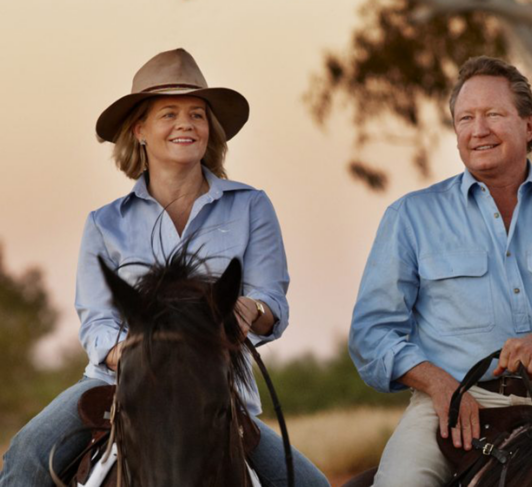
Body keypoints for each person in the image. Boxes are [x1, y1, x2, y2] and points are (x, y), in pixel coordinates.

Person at [0, 48, 330, 487]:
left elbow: (273, 302)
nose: (185, 124)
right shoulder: (105, 223)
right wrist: (133, 355)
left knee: (314, 486)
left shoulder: (252, 206)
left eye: (197, 113)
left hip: (215, 390)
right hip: (118, 386)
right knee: (24, 460)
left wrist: (253, 309)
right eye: (169, 114)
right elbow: (97, 322)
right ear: (139, 130)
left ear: (209, 128)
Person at [348, 56, 532, 487]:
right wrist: (439, 386)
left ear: (529, 125)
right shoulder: (410, 216)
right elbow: (372, 335)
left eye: (494, 114)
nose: (479, 130)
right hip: (445, 411)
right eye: (466, 118)